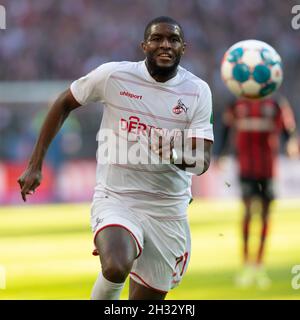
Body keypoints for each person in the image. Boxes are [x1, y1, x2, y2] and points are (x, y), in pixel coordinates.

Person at [17, 16, 214, 300]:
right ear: (144, 45)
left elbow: (202, 160)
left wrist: (172, 153)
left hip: (168, 209)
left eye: (173, 39)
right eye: (157, 38)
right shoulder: (113, 76)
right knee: (116, 265)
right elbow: (63, 103)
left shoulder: (197, 91)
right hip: (117, 198)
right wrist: (35, 165)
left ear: (184, 47)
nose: (165, 45)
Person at [217, 93, 298, 289]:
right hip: (246, 168)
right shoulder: (236, 104)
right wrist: (223, 153)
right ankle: (246, 265)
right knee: (247, 213)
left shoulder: (276, 103)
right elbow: (226, 129)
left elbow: (289, 131)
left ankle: (259, 265)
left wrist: (290, 144)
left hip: (268, 170)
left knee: (265, 215)